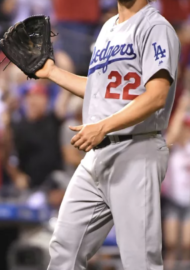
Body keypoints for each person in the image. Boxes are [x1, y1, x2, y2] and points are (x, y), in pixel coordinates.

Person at [32, 0, 180, 269]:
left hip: (136, 149)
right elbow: (99, 88)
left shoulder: (155, 27)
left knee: (139, 261)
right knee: (64, 248)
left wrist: (102, 126)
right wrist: (52, 72)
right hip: (97, 154)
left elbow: (157, 96)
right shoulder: (108, 28)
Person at [162, 94, 190, 269]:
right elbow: (170, 137)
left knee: (187, 245)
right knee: (171, 244)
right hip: (173, 198)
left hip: (189, 201)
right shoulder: (173, 148)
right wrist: (181, 107)